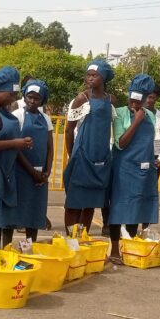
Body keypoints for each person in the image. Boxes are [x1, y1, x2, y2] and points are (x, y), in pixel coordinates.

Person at [108, 74, 159, 265]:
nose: (135, 103)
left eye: (139, 100)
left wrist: (152, 161)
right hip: (124, 168)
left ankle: (129, 248)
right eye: (132, 99)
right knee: (119, 208)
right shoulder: (119, 113)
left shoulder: (151, 115)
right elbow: (121, 143)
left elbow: (149, 142)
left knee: (137, 208)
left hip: (144, 169)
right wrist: (136, 121)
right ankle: (114, 249)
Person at [0, 66, 33, 249]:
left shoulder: (5, 112)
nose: (13, 98)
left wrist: (20, 144)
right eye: (11, 94)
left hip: (8, 170)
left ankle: (7, 251)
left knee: (7, 215)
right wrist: (15, 144)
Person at [64, 59, 116, 233]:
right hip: (82, 156)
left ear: (104, 78)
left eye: (95, 75)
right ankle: (71, 240)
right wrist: (72, 154)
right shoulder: (81, 99)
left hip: (101, 158)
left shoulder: (111, 100)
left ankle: (84, 238)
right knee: (74, 203)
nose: (90, 78)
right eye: (88, 75)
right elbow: (69, 130)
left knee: (91, 203)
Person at [11, 79, 53, 242]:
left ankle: (31, 245)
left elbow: (50, 148)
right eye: (29, 97)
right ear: (24, 96)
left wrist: (46, 172)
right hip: (22, 171)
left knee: (36, 212)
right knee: (20, 211)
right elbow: (16, 148)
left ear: (42, 100)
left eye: (36, 98)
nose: (32, 101)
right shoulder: (18, 115)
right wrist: (32, 172)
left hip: (40, 175)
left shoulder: (46, 119)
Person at [145, 84, 160, 175]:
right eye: (147, 96)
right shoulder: (137, 113)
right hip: (139, 154)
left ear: (157, 98)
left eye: (152, 97)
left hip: (155, 156)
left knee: (152, 184)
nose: (148, 100)